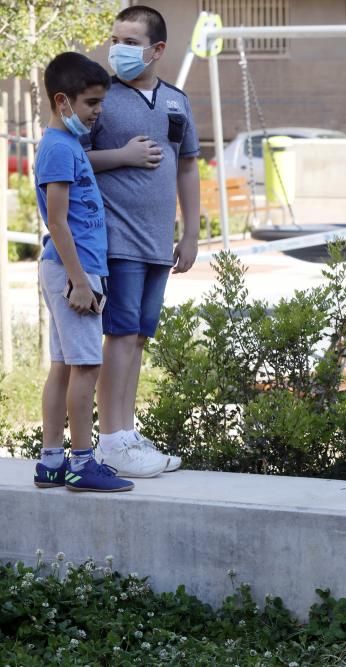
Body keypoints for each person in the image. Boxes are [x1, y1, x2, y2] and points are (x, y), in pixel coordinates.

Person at [86, 5, 200, 477]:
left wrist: (191, 232)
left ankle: (126, 433)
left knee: (138, 338)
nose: (119, 50)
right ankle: (110, 439)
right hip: (117, 241)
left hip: (158, 244)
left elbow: (188, 165)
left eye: (130, 42)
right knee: (120, 336)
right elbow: (71, 158)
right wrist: (123, 155)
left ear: (157, 50)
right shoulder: (100, 100)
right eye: (116, 39)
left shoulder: (177, 101)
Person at [32, 52, 133, 493]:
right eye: (91, 103)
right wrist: (78, 281)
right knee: (87, 367)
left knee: (62, 366)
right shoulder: (58, 147)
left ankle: (51, 461)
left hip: (69, 269)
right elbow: (56, 221)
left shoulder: (68, 145)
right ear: (63, 101)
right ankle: (81, 463)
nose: (97, 112)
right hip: (74, 272)